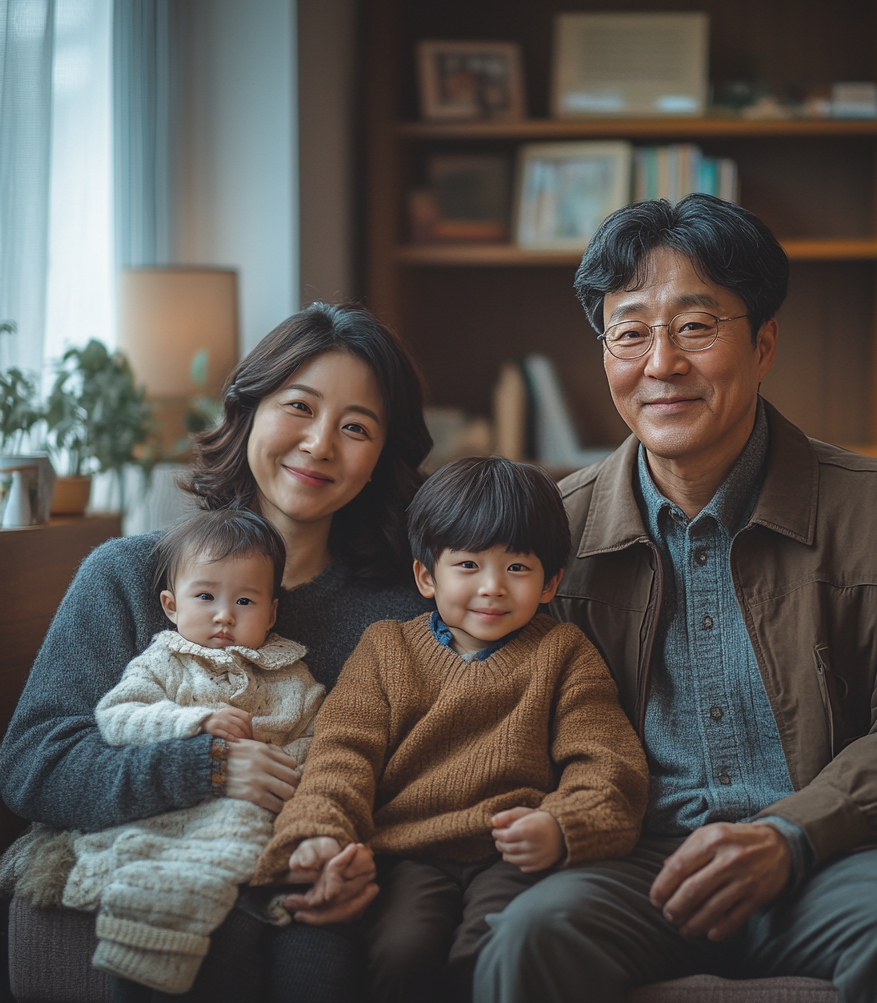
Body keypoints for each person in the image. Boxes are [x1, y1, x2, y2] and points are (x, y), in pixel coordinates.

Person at [472, 195, 877, 1003]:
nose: (661, 363)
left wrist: (791, 833)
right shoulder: (552, 535)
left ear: (763, 344)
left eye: (696, 327)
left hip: (831, 857)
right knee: (530, 938)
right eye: (630, 332)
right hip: (632, 866)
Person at [0, 303, 433, 1003]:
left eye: (356, 427)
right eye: (300, 406)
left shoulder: (405, 612)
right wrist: (204, 768)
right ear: (249, 410)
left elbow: (421, 780)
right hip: (167, 869)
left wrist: (360, 859)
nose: (321, 444)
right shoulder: (129, 576)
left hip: (310, 887)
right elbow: (34, 762)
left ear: (383, 456)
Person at [250, 456, 649, 1003]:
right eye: (467, 566)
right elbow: (342, 755)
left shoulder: (565, 654)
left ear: (551, 582)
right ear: (425, 576)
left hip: (510, 854)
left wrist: (563, 826)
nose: (492, 588)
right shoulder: (384, 649)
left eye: (517, 568)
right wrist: (320, 830)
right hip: (409, 855)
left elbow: (607, 763)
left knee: (488, 950)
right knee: (401, 951)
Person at [3, 508, 325, 994]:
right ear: (171, 605)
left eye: (244, 601)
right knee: (155, 887)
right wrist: (194, 725)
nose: (223, 615)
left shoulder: (290, 675)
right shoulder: (162, 662)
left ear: (272, 612)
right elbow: (118, 716)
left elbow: (318, 735)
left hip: (250, 822)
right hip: (163, 815)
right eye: (205, 597)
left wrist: (289, 770)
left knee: (230, 887)